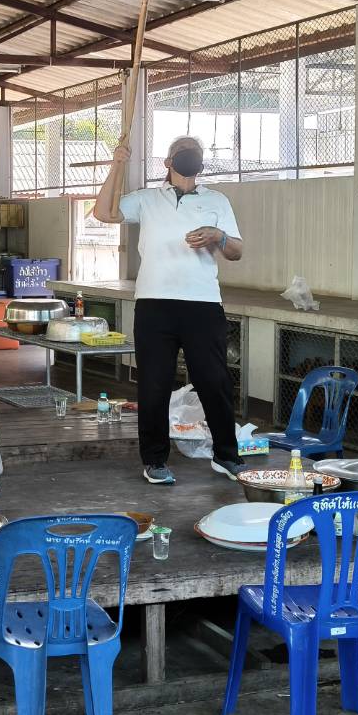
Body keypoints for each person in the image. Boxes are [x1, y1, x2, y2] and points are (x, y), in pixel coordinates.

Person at [94, 135, 245, 485]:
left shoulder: (216, 201)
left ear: (202, 162)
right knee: (154, 384)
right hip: (155, 304)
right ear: (168, 161)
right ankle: (155, 460)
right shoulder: (147, 199)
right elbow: (103, 212)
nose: (188, 155)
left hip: (203, 304)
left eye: (195, 152)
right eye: (181, 151)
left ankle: (226, 456)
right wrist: (117, 164)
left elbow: (237, 251)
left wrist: (218, 236)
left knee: (214, 382)